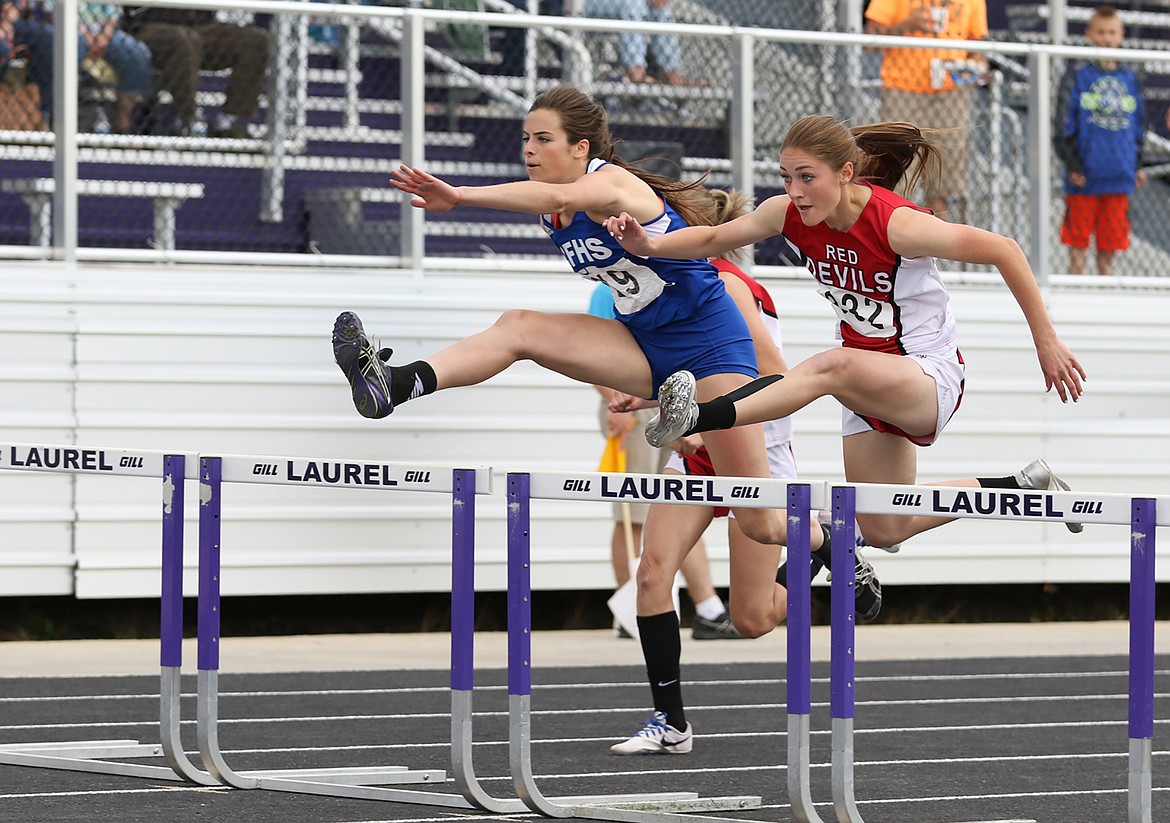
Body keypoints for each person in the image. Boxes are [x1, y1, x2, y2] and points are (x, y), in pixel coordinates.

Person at [334, 85, 868, 672]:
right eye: (524, 139)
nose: (529, 150)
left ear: (581, 146)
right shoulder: (552, 208)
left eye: (543, 139)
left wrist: (457, 195)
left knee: (765, 524)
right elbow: (568, 216)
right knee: (519, 327)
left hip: (713, 349)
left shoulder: (610, 184)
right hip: (646, 343)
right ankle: (397, 382)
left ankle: (834, 543)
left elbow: (559, 190)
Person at [602, 114, 1088, 557]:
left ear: (847, 174)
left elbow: (1004, 249)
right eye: (786, 178)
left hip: (926, 374)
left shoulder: (897, 225)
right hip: (867, 382)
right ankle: (1022, 486)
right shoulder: (786, 214)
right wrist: (651, 244)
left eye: (807, 178)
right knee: (884, 527)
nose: (795, 191)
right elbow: (711, 239)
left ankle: (699, 416)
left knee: (828, 365)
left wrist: (1045, 340)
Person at [607, 187, 880, 756]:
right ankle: (670, 722)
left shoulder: (724, 284)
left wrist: (713, 420)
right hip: (698, 453)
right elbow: (700, 371)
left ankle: (828, 541)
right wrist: (653, 402)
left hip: (758, 448)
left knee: (752, 619)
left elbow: (778, 374)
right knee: (653, 574)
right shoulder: (669, 290)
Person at [587, 281, 743, 642]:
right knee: (636, 513)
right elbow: (597, 357)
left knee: (679, 502)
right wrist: (617, 403)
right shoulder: (607, 289)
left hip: (674, 404)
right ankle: (633, 608)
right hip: (631, 407)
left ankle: (707, 607)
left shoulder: (663, 277)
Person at [864, 0, 987, 219]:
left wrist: (976, 67)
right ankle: (894, 243)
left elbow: (977, 47)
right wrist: (908, 25)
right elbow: (870, 40)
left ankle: (938, 247)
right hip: (903, 89)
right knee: (897, 175)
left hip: (952, 91)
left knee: (943, 183)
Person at [1054, 5, 1147, 277]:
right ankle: (1075, 307)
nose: (1107, 38)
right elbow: (1062, 123)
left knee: (1109, 253)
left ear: (1121, 35)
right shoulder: (1078, 74)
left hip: (1119, 178)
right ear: (1089, 34)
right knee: (1078, 250)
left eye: (1112, 32)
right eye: (1101, 32)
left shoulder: (1130, 76)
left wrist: (1137, 164)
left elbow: (1139, 125)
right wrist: (1073, 164)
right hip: (1084, 178)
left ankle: (1105, 300)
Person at [124, 5, 269, 138]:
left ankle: (229, 122)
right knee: (185, 39)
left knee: (256, 40)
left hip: (200, 27)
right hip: (150, 26)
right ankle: (188, 119)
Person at [13, 1, 153, 133]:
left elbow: (113, 13)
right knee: (76, 44)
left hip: (102, 33)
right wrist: (82, 33)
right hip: (61, 28)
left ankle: (124, 127)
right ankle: (64, 124)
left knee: (136, 53)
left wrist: (104, 36)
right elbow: (51, 10)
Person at [583, 0, 684, 85]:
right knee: (634, 3)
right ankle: (635, 72)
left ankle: (672, 75)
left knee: (661, 9)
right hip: (581, 4)